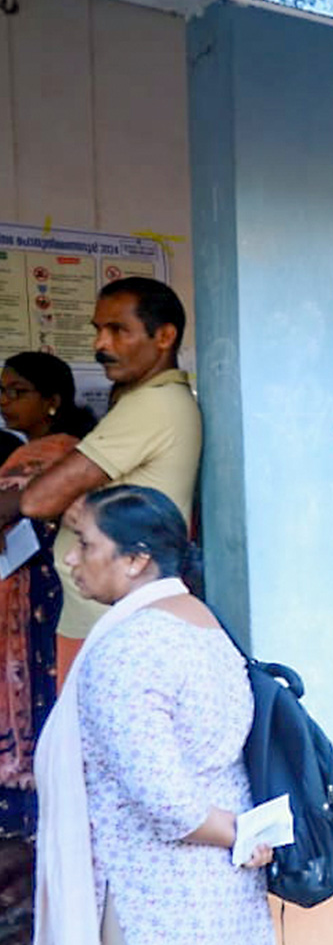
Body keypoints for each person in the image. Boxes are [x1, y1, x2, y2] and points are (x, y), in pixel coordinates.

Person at [34, 485, 284, 945]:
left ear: (138, 559)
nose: (71, 560)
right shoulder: (202, 620)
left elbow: (165, 800)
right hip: (218, 886)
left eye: (86, 544)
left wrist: (237, 836)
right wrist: (244, 839)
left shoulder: (130, 646)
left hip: (156, 898)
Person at [14, 278, 201, 687]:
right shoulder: (146, 400)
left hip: (109, 617)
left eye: (118, 330)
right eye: (98, 329)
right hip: (103, 609)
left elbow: (37, 500)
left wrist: (68, 499)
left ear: (164, 336)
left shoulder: (153, 405)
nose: (101, 344)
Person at [0, 354, 96, 939]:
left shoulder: (51, 455)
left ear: (52, 400)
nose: (6, 401)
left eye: (18, 391)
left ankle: (37, 893)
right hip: (29, 600)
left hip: (37, 603)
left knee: (38, 717)